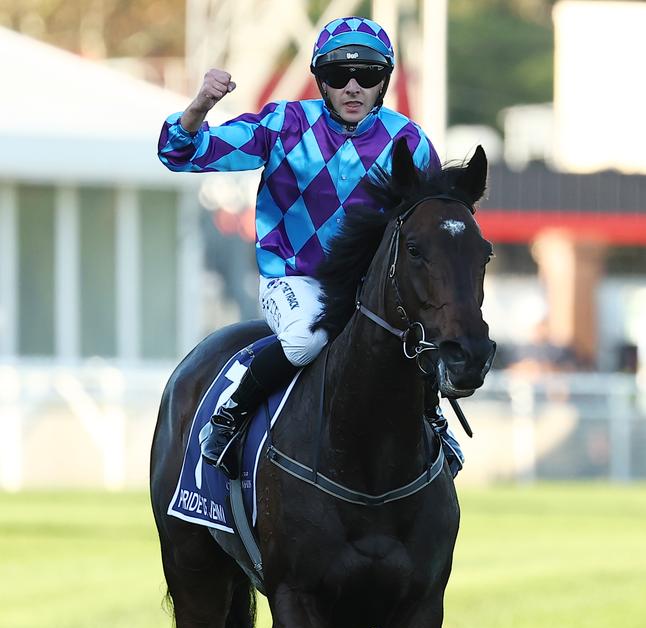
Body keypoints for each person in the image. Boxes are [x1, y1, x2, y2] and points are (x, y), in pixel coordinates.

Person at [158, 16, 463, 479]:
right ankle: (228, 413)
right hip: (294, 279)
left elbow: (433, 225)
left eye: (369, 74)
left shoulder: (410, 141)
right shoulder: (284, 124)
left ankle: (433, 421)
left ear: (385, 80)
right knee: (305, 340)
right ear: (321, 79)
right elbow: (179, 153)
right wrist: (201, 104)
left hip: (369, 286)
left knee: (417, 337)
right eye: (340, 75)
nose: (354, 86)